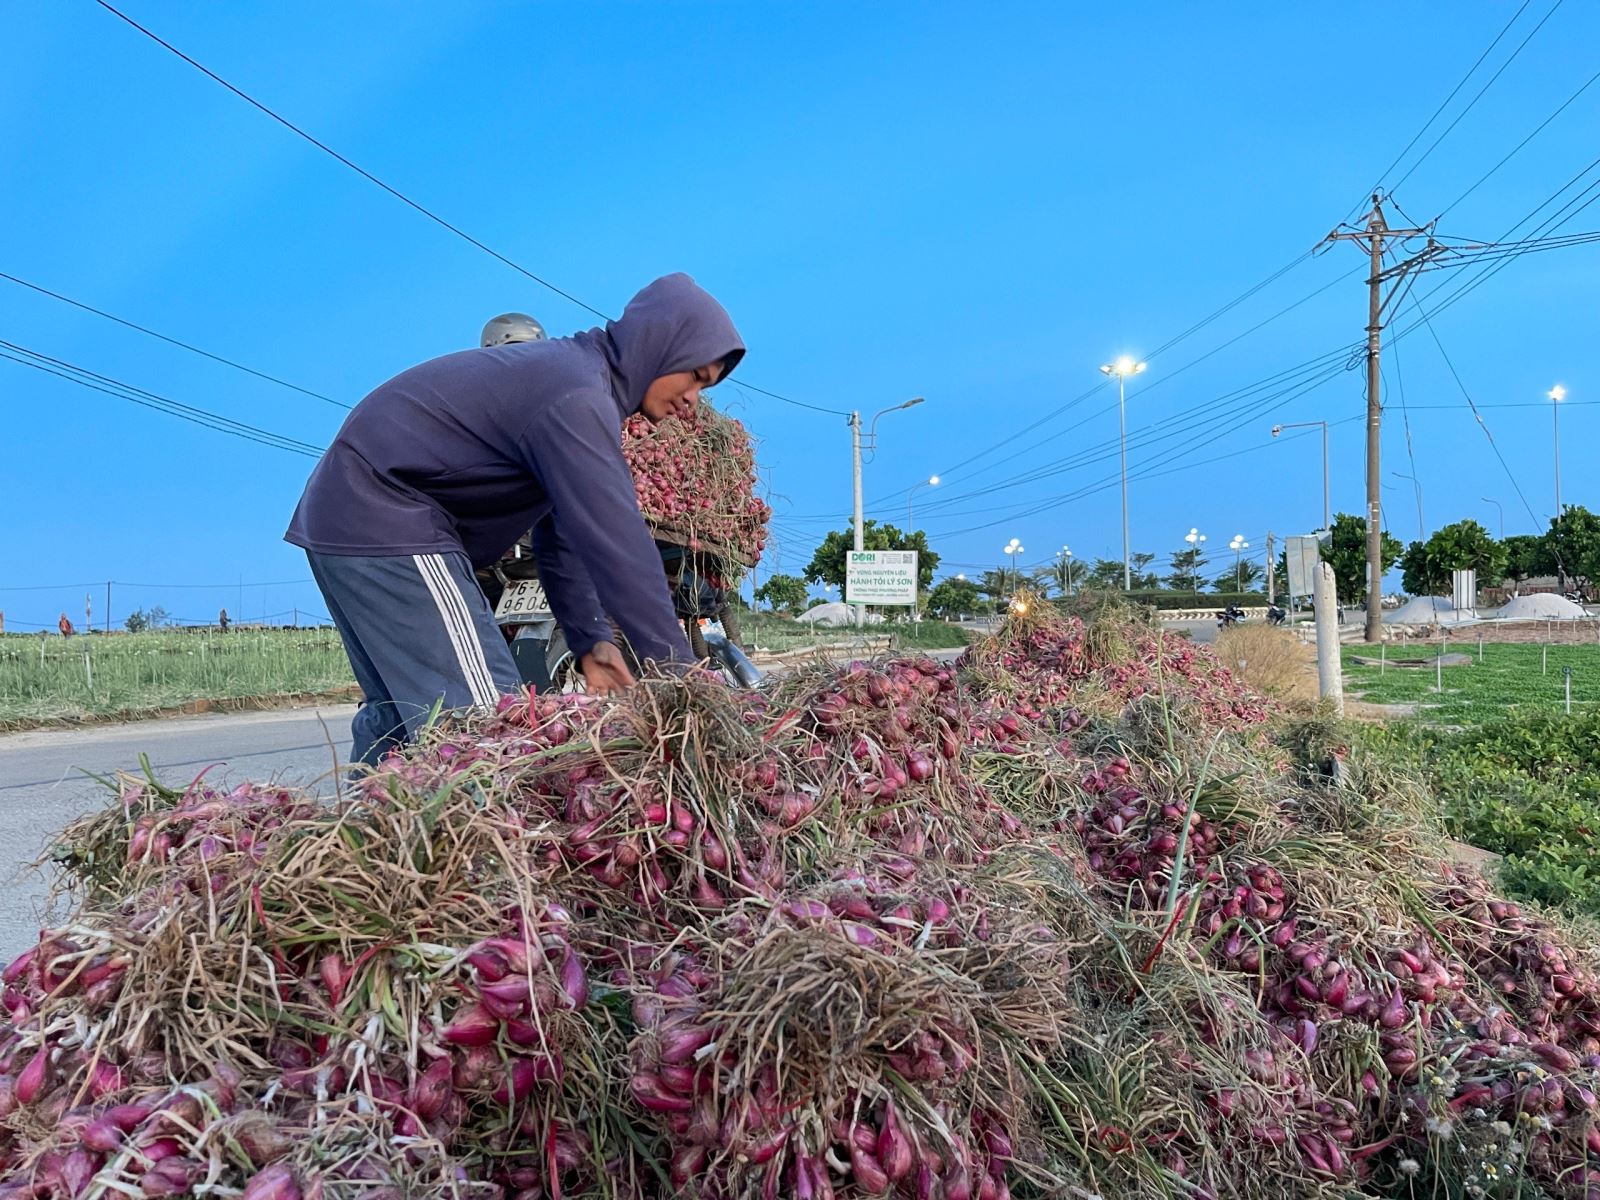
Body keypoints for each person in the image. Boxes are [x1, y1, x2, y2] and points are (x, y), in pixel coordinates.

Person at [286, 273, 744, 765]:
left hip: (345, 518)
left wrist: (591, 639)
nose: (694, 398)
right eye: (695, 376)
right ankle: (477, 841)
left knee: (401, 716)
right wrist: (683, 680)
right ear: (660, 347)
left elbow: (563, 535)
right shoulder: (578, 396)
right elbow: (620, 546)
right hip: (387, 514)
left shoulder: (578, 385)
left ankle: (361, 837)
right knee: (489, 730)